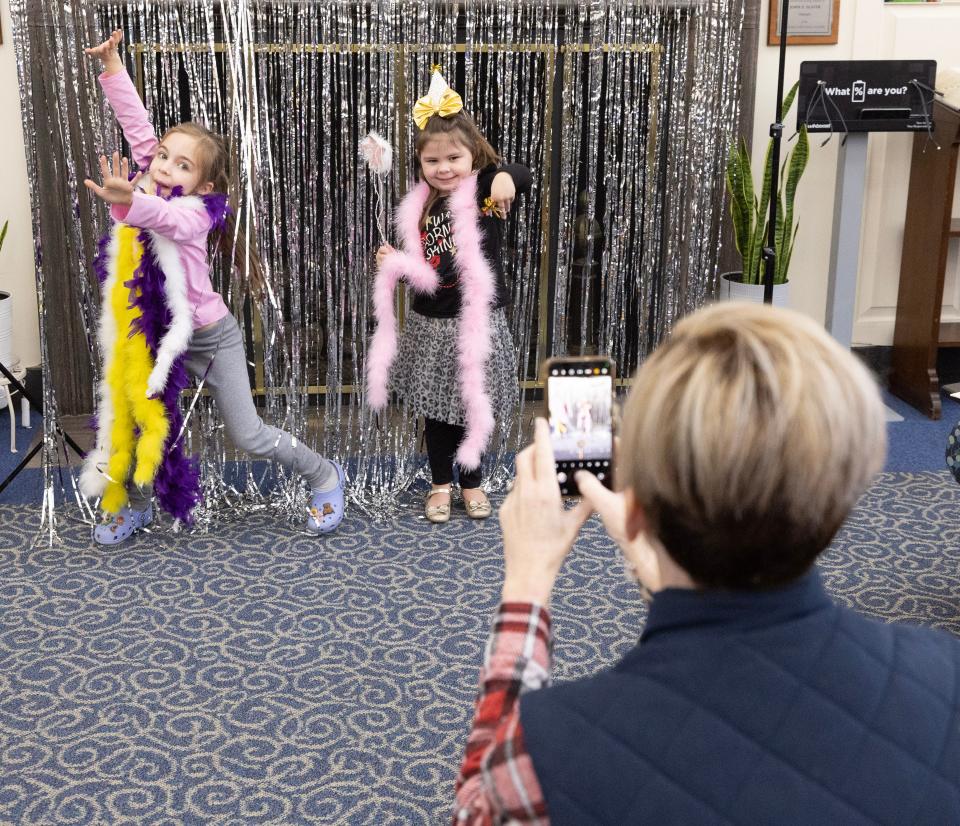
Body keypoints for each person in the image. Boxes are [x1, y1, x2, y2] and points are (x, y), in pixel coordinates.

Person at [453, 302, 960, 824]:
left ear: (638, 510)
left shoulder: (546, 754)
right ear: (840, 497)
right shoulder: (947, 678)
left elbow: (478, 803)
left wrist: (528, 580)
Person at [79, 30, 345, 544]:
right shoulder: (149, 176)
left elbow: (158, 216)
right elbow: (138, 126)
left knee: (248, 433)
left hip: (210, 335)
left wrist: (124, 202)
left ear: (204, 186)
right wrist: (113, 66)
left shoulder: (194, 213)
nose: (164, 167)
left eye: (183, 165)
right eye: (162, 157)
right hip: (151, 336)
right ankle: (126, 505)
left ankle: (325, 475)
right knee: (135, 421)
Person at [367, 66, 531, 524]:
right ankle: (441, 484)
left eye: (454, 158)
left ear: (473, 154)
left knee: (476, 404)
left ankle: (472, 482)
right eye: (432, 162)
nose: (444, 169)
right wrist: (394, 264)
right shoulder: (417, 206)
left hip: (479, 321)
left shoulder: (484, 189)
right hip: (431, 323)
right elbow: (427, 272)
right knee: (439, 412)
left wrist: (505, 180)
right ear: (420, 165)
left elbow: (522, 172)